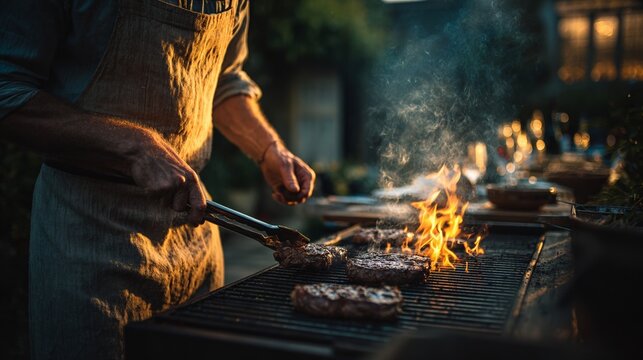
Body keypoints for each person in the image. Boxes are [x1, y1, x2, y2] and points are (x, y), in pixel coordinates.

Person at [0, 1, 315, 359]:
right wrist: (134, 145)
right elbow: (7, 87)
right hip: (87, 236)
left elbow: (224, 79)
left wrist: (268, 148)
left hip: (195, 234)